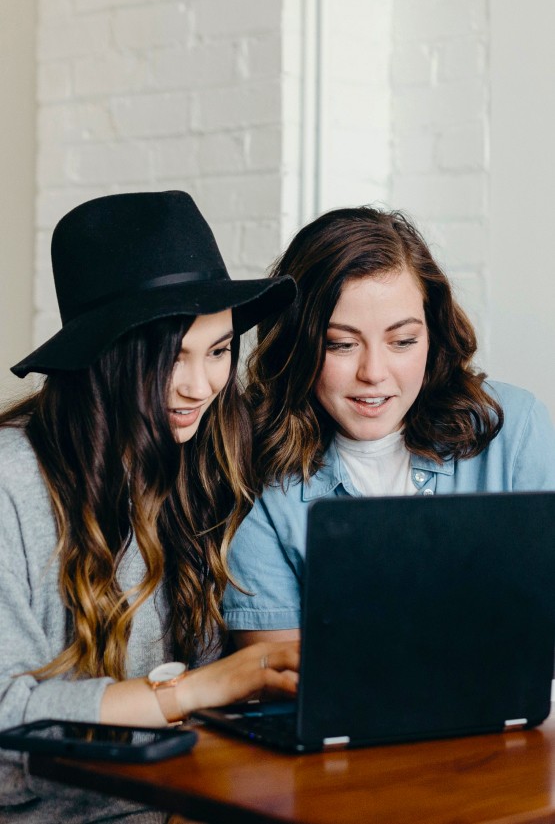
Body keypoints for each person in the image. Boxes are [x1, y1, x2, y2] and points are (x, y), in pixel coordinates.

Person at [0, 190, 298, 822]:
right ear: (105, 356)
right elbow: (4, 719)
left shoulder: (206, 462)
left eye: (218, 351)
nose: (199, 387)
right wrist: (193, 689)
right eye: (170, 358)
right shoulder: (11, 481)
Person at [222, 205, 555, 646]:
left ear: (432, 334)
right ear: (297, 345)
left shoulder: (512, 429)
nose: (373, 372)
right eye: (341, 344)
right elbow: (275, 678)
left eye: (402, 341)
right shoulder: (254, 465)